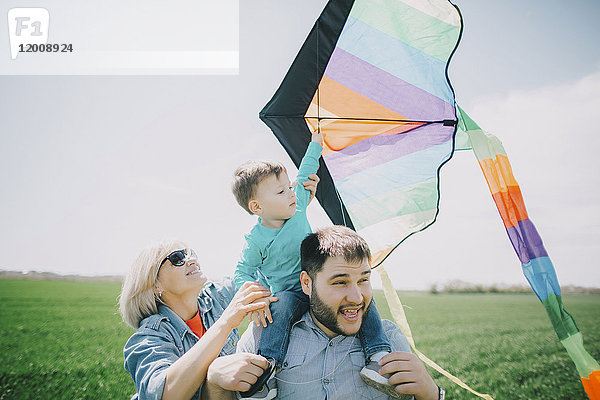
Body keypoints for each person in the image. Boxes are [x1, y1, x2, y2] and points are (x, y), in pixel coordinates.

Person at [231, 134, 392, 398]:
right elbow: (243, 271)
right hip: (291, 292)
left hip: (321, 286)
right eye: (281, 191)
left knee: (363, 300)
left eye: (289, 187)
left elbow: (306, 170)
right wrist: (256, 296)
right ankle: (267, 369)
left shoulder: (297, 207)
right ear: (256, 206)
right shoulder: (255, 241)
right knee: (278, 308)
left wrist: (316, 142)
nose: (291, 193)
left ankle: (378, 355)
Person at [235, 226, 445, 400]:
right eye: (340, 282)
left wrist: (431, 394)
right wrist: (215, 385)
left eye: (363, 280)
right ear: (307, 284)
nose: (357, 297)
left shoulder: (389, 340)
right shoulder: (263, 337)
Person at [119, 239, 276, 400]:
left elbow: (270, 275)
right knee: (215, 371)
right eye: (177, 258)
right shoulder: (148, 338)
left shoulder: (217, 297)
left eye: (190, 253)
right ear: (155, 284)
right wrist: (226, 321)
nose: (191, 259)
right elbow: (165, 395)